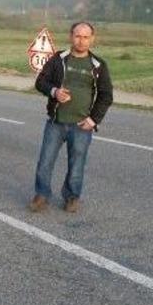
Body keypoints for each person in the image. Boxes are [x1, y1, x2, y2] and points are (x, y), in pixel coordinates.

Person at [29, 21, 113, 214]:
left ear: (92, 39)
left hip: (82, 126)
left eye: (85, 37)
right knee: (45, 161)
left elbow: (106, 95)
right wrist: (54, 91)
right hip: (56, 123)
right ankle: (42, 195)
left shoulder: (98, 65)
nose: (81, 41)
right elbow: (40, 82)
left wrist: (94, 120)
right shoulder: (59, 59)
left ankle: (72, 197)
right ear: (71, 36)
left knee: (76, 165)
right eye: (77, 36)